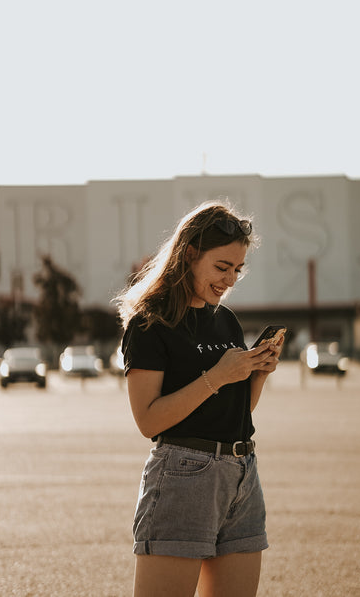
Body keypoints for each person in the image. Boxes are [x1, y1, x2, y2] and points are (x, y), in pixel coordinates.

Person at [116, 201, 285, 597]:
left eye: (237, 270)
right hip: (183, 474)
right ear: (189, 254)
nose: (229, 280)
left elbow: (234, 411)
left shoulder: (226, 319)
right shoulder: (150, 322)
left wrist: (255, 373)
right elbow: (148, 421)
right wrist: (218, 376)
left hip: (242, 471)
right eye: (222, 267)